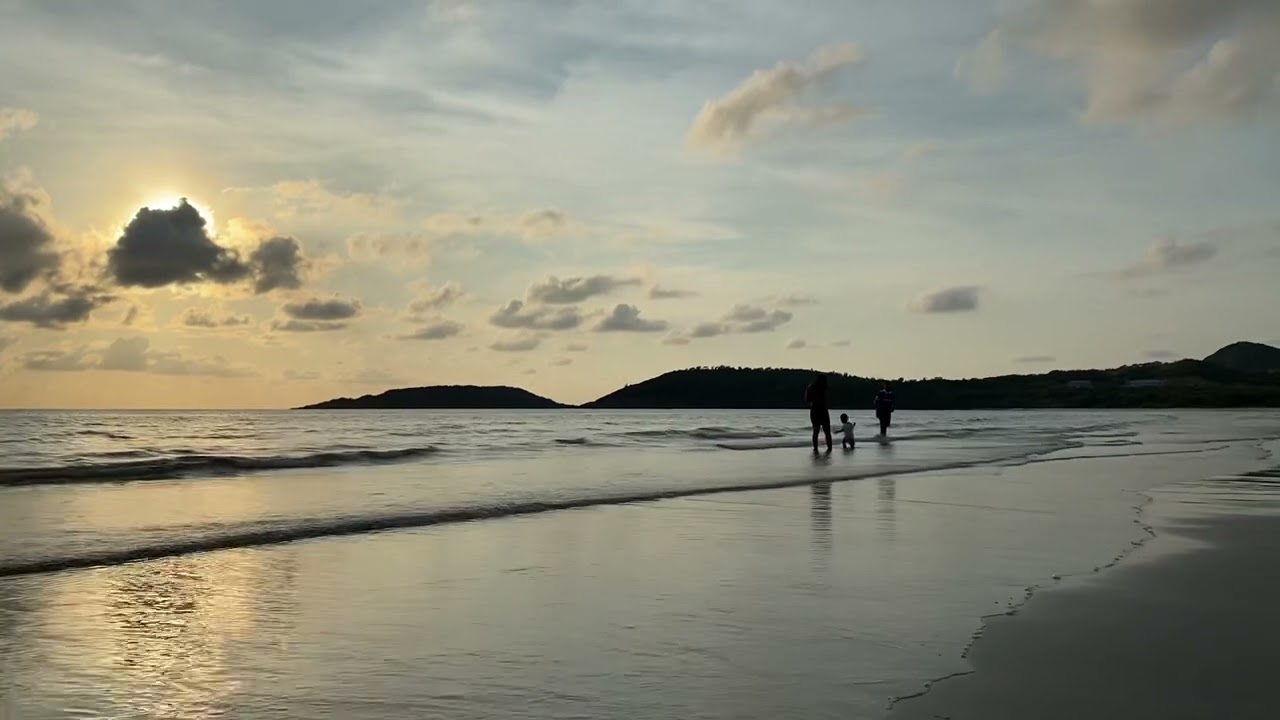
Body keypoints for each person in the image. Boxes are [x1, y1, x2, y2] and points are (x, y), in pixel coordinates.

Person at [805, 373, 832, 452]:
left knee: (815, 431)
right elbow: (827, 399)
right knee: (827, 432)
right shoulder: (824, 388)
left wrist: (812, 403)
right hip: (823, 410)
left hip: (815, 410)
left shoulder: (811, 387)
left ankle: (815, 448)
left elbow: (807, 400)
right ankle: (829, 448)